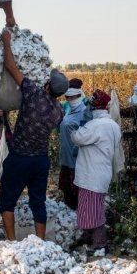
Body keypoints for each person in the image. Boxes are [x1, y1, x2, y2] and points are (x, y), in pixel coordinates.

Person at [0, 29, 67, 241]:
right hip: (40, 161)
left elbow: (10, 67)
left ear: (46, 86)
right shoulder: (59, 111)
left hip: (19, 159)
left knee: (7, 202)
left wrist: (7, 42)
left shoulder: (33, 93)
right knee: (38, 203)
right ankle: (40, 242)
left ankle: (11, 242)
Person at [70, 89, 121, 250]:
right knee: (92, 207)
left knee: (92, 211)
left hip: (92, 175)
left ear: (93, 108)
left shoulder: (95, 125)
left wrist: (79, 125)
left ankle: (99, 243)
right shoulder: (112, 124)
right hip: (102, 172)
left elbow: (77, 137)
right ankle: (88, 237)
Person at [58, 79, 89, 210]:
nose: (70, 99)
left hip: (77, 159)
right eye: (67, 97)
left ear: (79, 95)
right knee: (67, 190)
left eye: (73, 96)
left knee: (76, 190)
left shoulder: (85, 112)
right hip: (65, 156)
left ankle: (80, 217)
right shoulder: (67, 108)